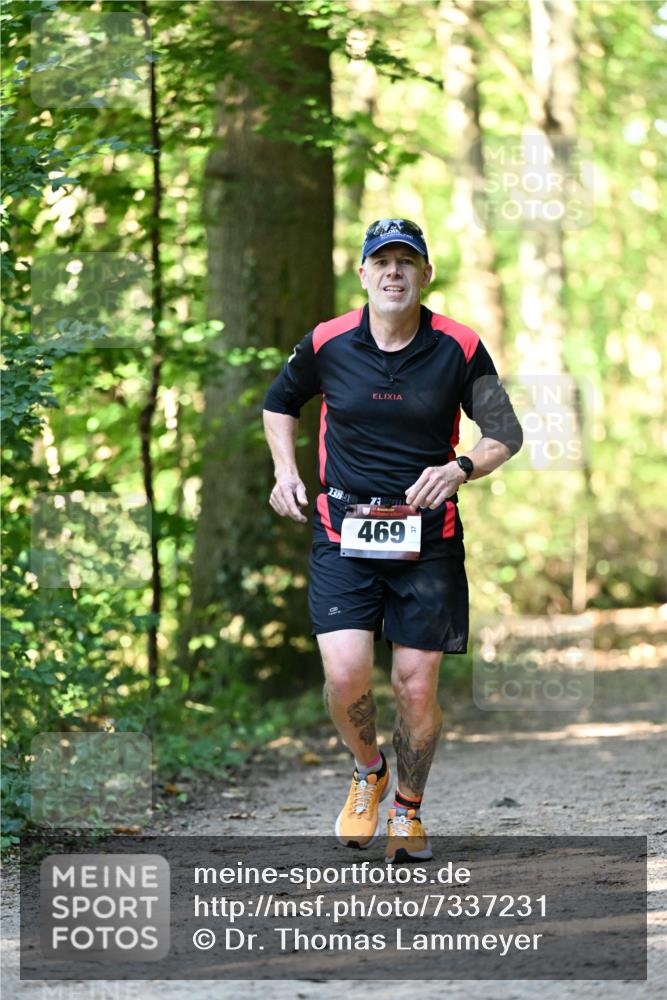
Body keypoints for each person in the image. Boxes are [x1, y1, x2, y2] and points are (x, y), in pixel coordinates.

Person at [263, 218, 522, 863]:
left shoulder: (459, 346)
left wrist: (460, 467)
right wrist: (286, 474)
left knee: (413, 687)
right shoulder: (327, 342)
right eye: (382, 261)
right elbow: (278, 404)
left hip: (427, 540)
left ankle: (407, 810)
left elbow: (505, 431)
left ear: (425, 274)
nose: (394, 272)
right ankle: (367, 770)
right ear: (363, 274)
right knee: (346, 674)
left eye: (407, 262)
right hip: (341, 532)